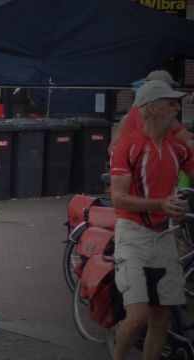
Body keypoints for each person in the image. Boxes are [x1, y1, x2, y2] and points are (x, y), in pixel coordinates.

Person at [109, 80, 193, 360]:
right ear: (153, 107)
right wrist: (161, 203)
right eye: (171, 102)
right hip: (133, 235)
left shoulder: (178, 148)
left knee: (161, 318)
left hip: (164, 237)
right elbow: (118, 199)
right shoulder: (128, 147)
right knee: (138, 315)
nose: (177, 107)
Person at [109, 70, 193, 153]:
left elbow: (185, 136)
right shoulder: (144, 113)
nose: (171, 90)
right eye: (170, 87)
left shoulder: (162, 116)